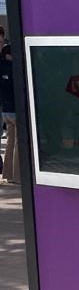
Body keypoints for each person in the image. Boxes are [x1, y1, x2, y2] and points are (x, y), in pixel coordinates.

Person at [0, 28, 14, 184]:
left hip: (4, 105)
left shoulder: (4, 60)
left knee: (10, 139)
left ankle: (7, 172)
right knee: (13, 140)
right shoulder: (7, 66)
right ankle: (12, 173)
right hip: (8, 105)